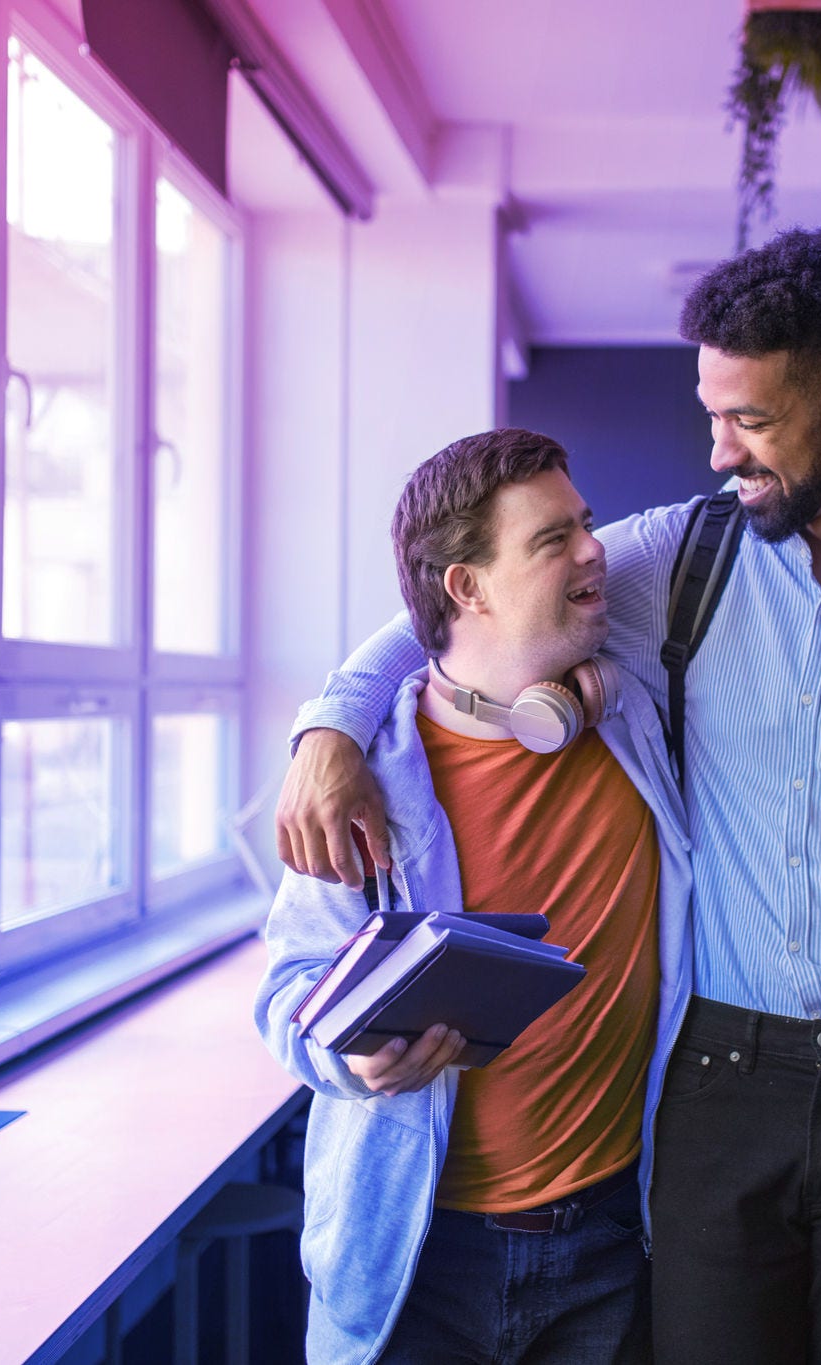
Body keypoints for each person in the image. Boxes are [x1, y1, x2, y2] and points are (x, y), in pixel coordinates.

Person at [277, 228, 821, 1365]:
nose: (716, 454)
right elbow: (470, 610)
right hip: (718, 1080)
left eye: (748, 421)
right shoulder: (673, 563)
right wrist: (330, 723)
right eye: (711, 414)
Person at [252, 428, 697, 1365]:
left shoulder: (633, 715)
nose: (594, 551)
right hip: (414, 1261)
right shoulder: (365, 780)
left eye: (585, 524)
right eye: (554, 539)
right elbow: (287, 988)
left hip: (613, 1243)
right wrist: (351, 1057)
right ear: (467, 586)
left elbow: (759, 503)